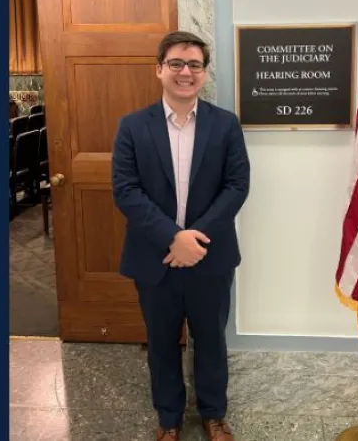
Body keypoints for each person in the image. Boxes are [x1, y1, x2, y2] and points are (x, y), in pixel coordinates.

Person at [111, 31, 250, 441]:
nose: (185, 72)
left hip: (211, 257)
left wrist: (194, 239)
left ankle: (214, 415)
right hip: (154, 258)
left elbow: (237, 185)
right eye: (176, 64)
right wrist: (173, 237)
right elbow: (126, 189)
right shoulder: (133, 126)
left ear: (204, 74)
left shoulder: (225, 125)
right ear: (159, 70)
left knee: (210, 341)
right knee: (161, 343)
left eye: (194, 65)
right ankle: (169, 420)